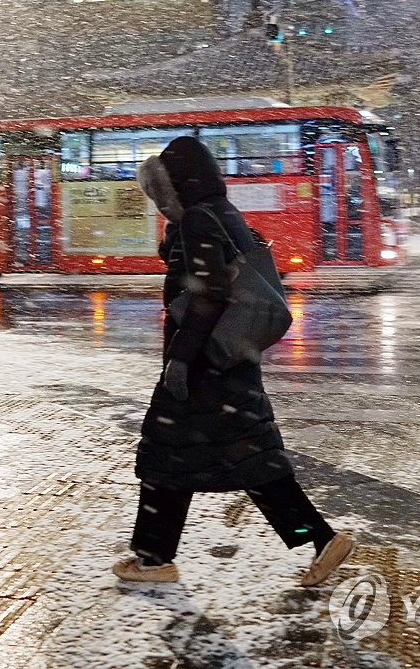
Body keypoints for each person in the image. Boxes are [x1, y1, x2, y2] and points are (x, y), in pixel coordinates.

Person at [112, 135, 354, 586]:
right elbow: (220, 276)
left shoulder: (200, 221)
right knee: (238, 461)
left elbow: (209, 295)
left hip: (204, 366)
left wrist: (181, 361)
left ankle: (154, 560)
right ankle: (319, 540)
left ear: (177, 185)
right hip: (230, 363)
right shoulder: (223, 214)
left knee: (171, 456)